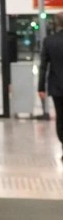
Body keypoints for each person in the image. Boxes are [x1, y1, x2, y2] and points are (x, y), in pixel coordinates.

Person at [38, 28, 63, 158]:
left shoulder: (49, 41)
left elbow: (43, 66)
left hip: (57, 86)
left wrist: (41, 87)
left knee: (61, 118)